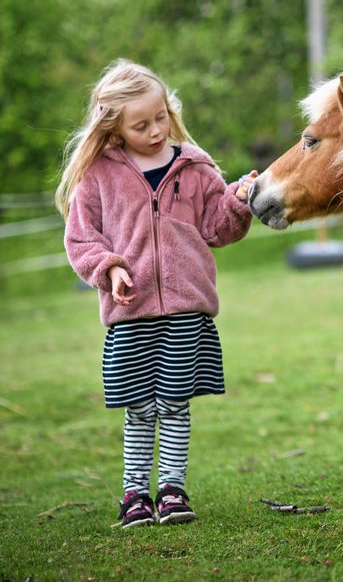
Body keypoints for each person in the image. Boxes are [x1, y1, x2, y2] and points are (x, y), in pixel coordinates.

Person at [56, 59, 258, 527]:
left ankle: (171, 491)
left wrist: (237, 200)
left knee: (173, 403)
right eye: (140, 125)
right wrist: (109, 270)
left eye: (160, 117)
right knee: (140, 408)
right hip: (130, 312)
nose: (155, 130)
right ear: (115, 127)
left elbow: (217, 228)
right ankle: (133, 496)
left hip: (186, 310)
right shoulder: (98, 176)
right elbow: (81, 241)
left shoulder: (194, 165)